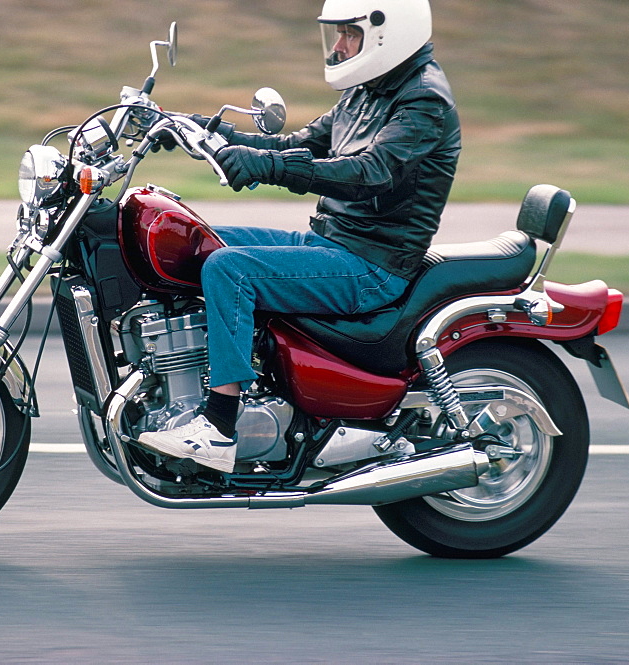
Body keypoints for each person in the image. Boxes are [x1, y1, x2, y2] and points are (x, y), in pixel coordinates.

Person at [139, 0, 461, 473]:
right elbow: (297, 145)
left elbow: (370, 172)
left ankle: (221, 425)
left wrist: (266, 168)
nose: (339, 45)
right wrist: (198, 128)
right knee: (199, 240)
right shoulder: (369, 89)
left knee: (230, 269)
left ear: (387, 33)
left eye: (349, 34)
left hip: (373, 265)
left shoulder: (422, 100)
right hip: (332, 242)